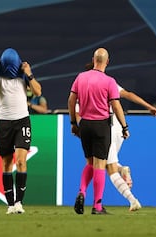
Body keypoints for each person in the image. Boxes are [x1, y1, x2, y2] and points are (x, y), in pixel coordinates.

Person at [76, 62, 156, 211]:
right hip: (116, 128)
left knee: (108, 168)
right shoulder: (108, 82)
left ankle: (132, 200)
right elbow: (128, 95)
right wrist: (149, 106)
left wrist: (77, 127)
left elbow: (77, 113)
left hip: (103, 128)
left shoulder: (82, 87)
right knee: (102, 163)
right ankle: (122, 171)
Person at [0, 48, 42, 214]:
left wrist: (30, 73)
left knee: (20, 160)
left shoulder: (23, 72)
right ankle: (10, 204)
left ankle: (19, 202)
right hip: (5, 122)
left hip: (22, 121)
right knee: (6, 163)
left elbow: (38, 91)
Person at [68, 48, 129, 215]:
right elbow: (116, 105)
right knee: (100, 165)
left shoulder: (81, 77)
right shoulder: (109, 81)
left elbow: (71, 100)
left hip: (85, 124)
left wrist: (73, 122)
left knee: (89, 162)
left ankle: (82, 191)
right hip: (102, 125)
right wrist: (124, 127)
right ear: (107, 62)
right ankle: (97, 206)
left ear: (93, 59)